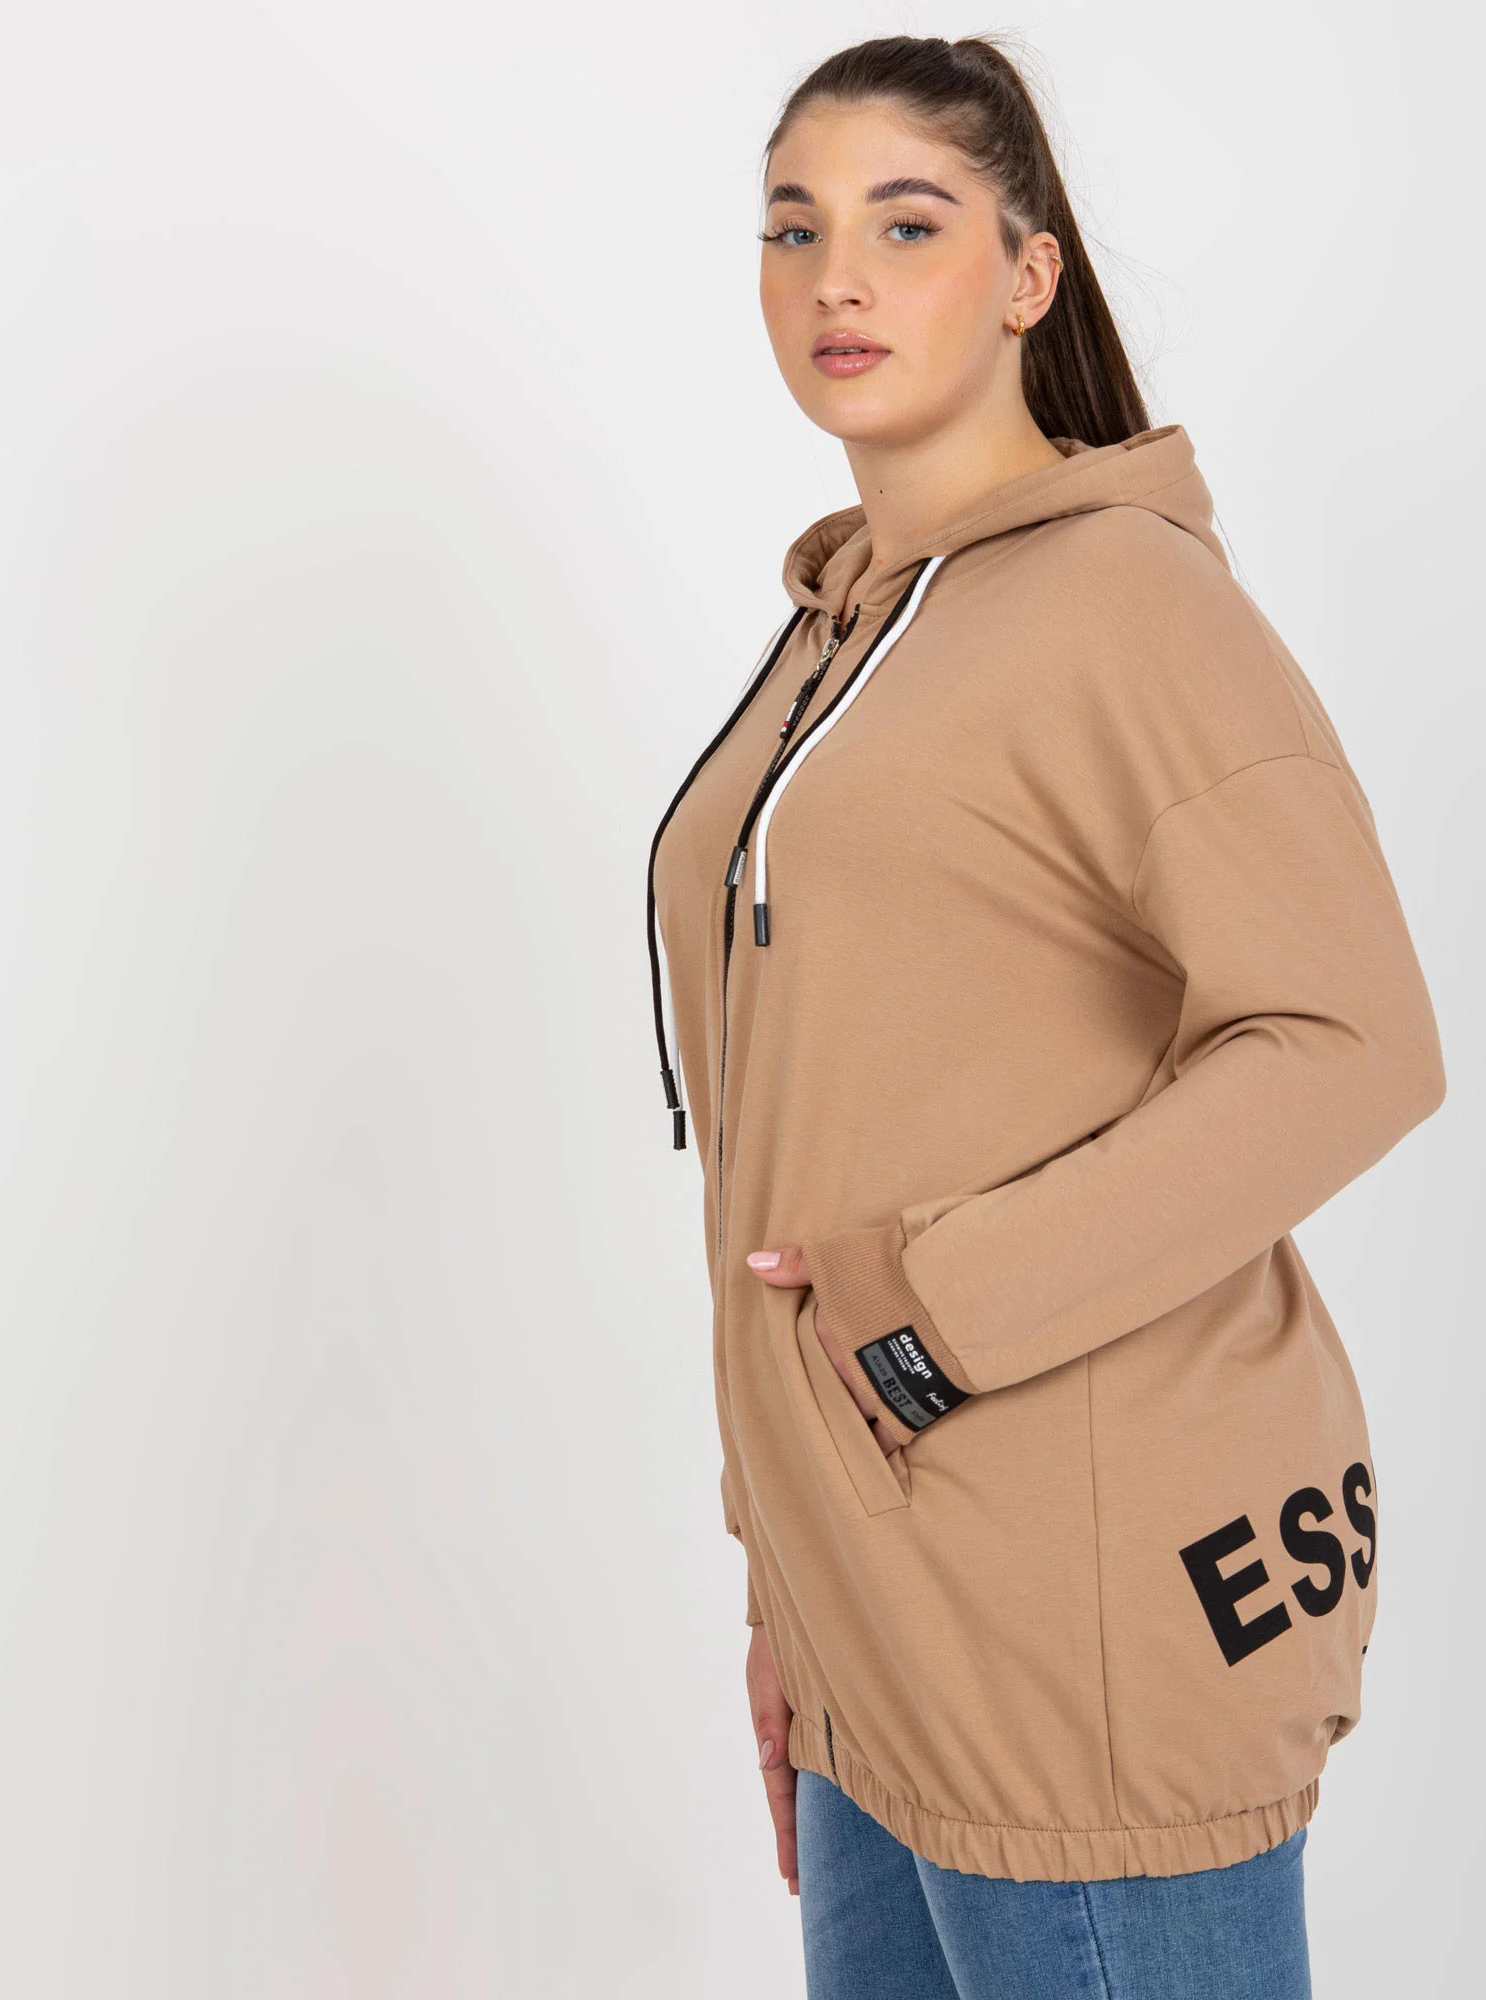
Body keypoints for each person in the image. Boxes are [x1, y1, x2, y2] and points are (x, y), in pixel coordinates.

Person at [644, 32, 1445, 2000]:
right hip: (874, 1624)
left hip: (1077, 1620)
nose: (837, 276)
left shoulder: (1127, 607)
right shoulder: (845, 630)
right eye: (794, 228)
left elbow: (1355, 1041)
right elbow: (806, 1112)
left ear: (1027, 275)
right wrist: (781, 1590)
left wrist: (928, 1310)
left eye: (907, 225)